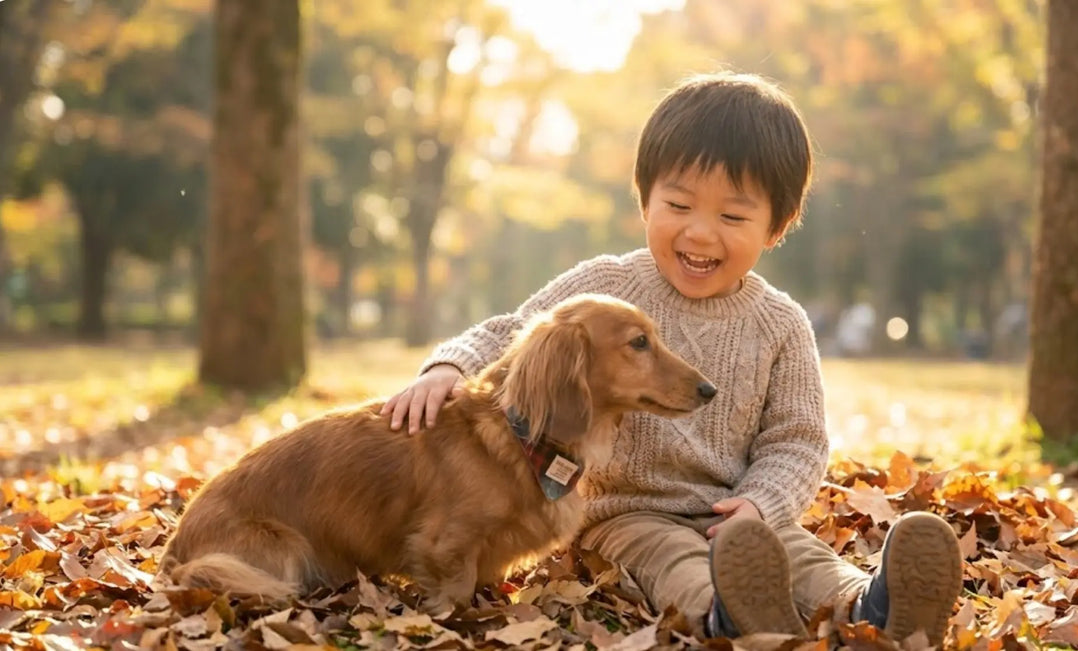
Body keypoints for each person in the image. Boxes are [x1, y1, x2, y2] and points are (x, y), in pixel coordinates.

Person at [381, 71, 962, 643]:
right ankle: (727, 613)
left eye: (732, 217)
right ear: (646, 201)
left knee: (800, 553)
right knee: (669, 559)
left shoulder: (781, 324)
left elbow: (797, 439)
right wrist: (448, 368)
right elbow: (516, 333)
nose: (701, 233)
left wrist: (759, 505)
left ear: (776, 227)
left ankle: (876, 604)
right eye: (679, 204)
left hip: (738, 518)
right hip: (624, 514)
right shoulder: (607, 284)